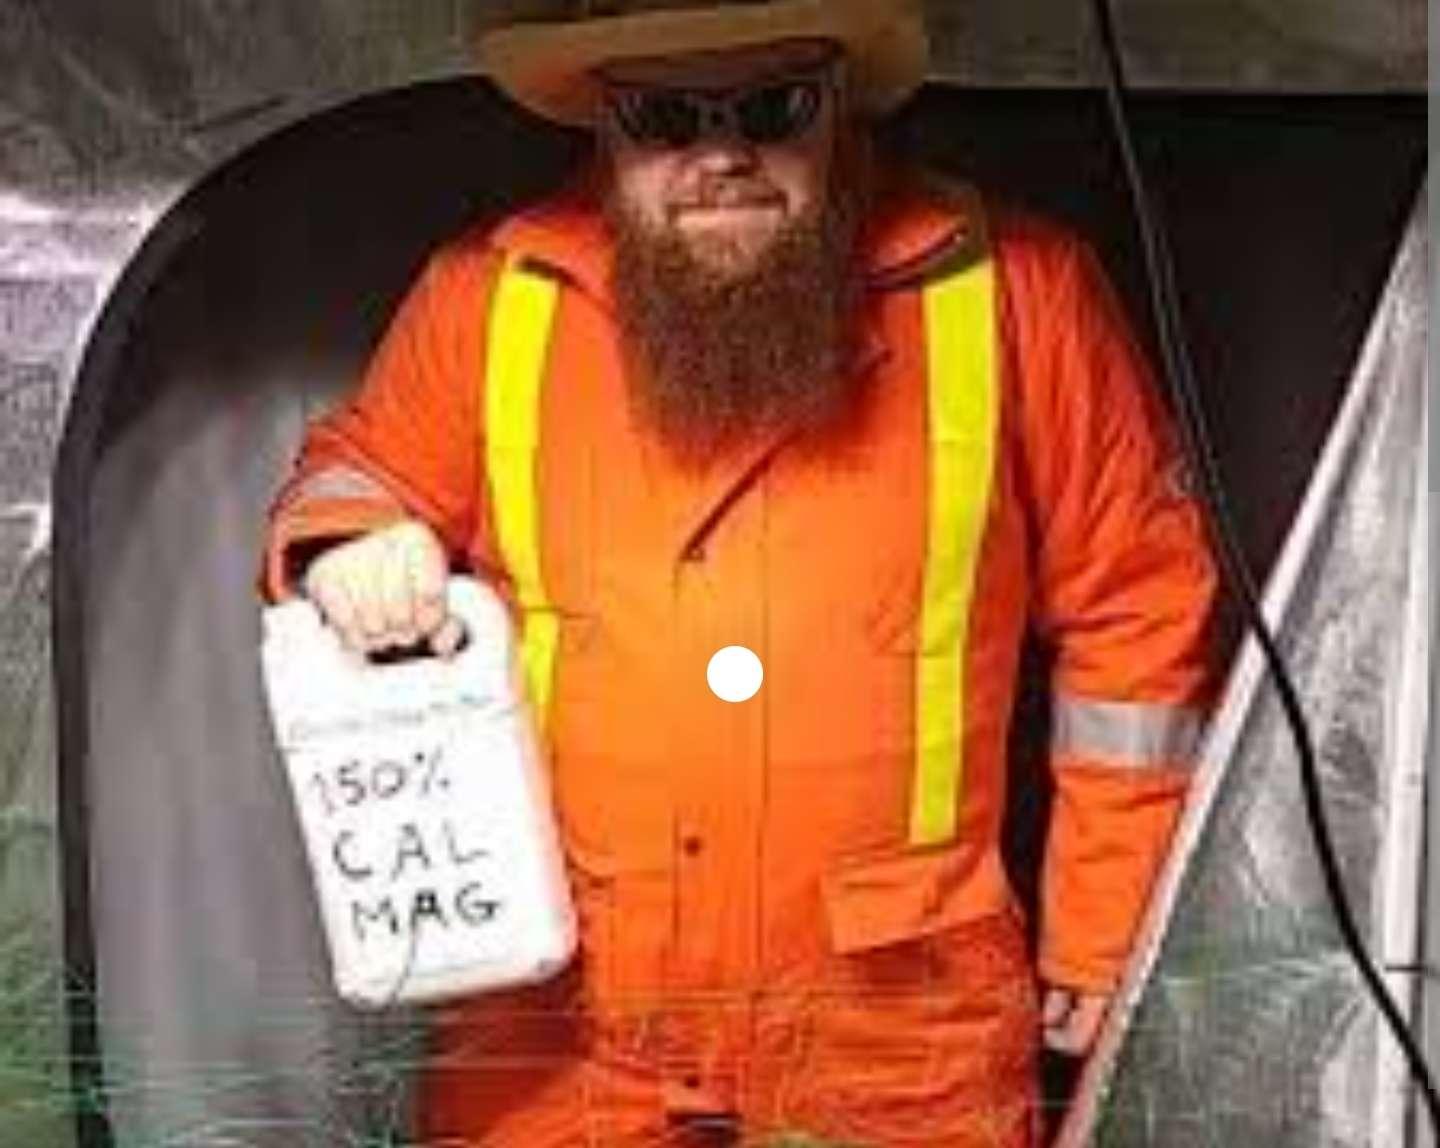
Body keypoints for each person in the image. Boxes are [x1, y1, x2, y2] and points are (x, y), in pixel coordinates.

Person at [261, 0, 1218, 1142]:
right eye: (665, 118)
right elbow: (356, 467)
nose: (722, 155)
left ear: (839, 109)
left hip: (897, 1024)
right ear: (604, 124)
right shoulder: (489, 292)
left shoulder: (1019, 289)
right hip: (560, 1029)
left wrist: (1110, 927)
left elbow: (1140, 605)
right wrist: (350, 540)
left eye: (773, 108)